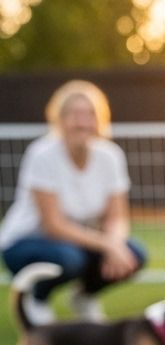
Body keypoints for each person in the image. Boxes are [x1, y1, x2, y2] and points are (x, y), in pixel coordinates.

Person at [0, 80, 147, 325]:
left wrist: (115, 243)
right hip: (26, 243)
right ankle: (37, 299)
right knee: (70, 258)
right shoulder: (42, 154)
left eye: (90, 114)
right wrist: (107, 244)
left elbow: (117, 216)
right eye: (74, 114)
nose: (82, 122)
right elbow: (53, 226)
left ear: (100, 119)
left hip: (77, 242)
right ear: (59, 119)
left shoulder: (110, 156)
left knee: (133, 254)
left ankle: (84, 296)